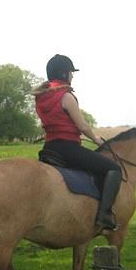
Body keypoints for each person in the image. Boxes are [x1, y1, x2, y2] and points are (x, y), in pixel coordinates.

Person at [33, 54, 120, 230]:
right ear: (64, 74)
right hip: (68, 149)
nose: (72, 76)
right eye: (71, 72)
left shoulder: (42, 97)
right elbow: (82, 125)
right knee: (114, 168)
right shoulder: (65, 96)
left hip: (49, 148)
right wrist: (96, 139)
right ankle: (104, 215)